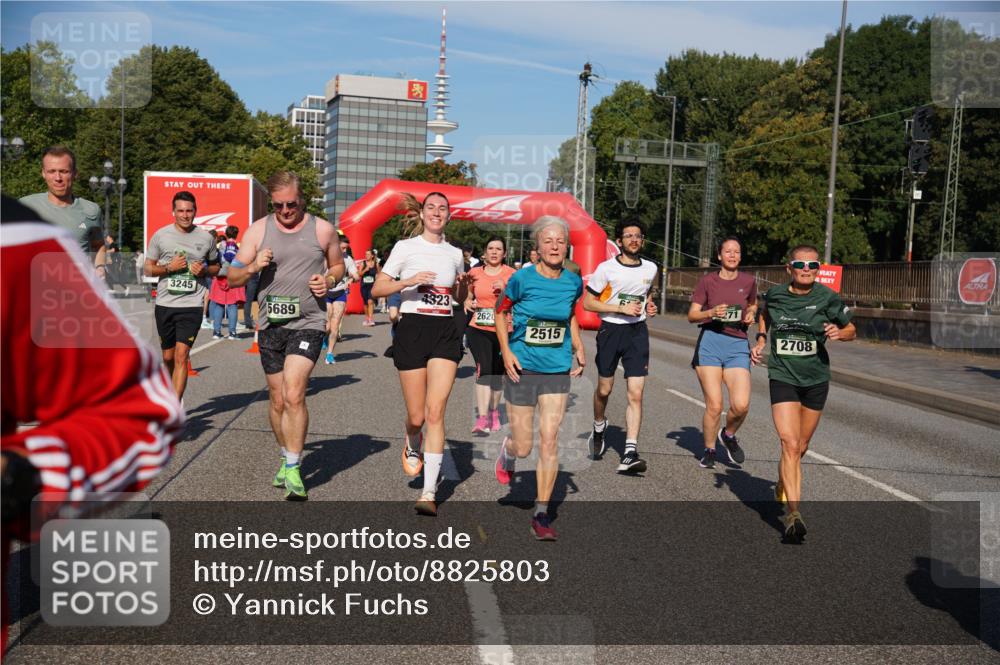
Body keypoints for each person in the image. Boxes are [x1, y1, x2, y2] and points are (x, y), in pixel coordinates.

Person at [1, 195, 183, 653]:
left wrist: (22, 474)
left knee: (180, 357)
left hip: (179, 305)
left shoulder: (17, 241)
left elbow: (137, 411)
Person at [228, 171, 344, 501]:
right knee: (277, 399)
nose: (285, 211)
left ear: (301, 199)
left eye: (291, 204)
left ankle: (294, 466)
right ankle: (284, 455)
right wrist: (252, 267)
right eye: (278, 205)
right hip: (270, 325)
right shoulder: (259, 230)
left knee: (294, 393)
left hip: (309, 320)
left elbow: (338, 267)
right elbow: (232, 276)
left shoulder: (321, 229)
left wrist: (329, 280)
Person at [371, 192, 467, 517]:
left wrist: (463, 287)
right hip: (413, 328)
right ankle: (413, 441)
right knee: (417, 417)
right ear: (423, 214)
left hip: (445, 330)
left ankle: (429, 492)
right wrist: (408, 281)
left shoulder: (455, 254)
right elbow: (377, 289)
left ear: (448, 216)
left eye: (443, 208)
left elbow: (459, 297)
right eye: (432, 208)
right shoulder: (405, 248)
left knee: (436, 411)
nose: (437, 212)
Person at [752, 244, 855, 543]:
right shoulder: (776, 295)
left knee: (802, 445)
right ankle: (793, 514)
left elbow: (852, 329)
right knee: (789, 442)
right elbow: (764, 314)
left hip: (815, 378)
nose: (807, 270)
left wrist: (840, 333)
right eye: (801, 264)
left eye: (813, 265)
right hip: (782, 374)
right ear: (789, 268)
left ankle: (783, 480)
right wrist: (761, 339)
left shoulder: (827, 297)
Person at [494, 216, 585, 541]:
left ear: (567, 245)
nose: (555, 246)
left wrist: (578, 346)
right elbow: (500, 312)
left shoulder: (573, 281)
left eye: (560, 241)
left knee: (549, 439)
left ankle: (541, 513)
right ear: (538, 247)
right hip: (523, 366)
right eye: (548, 241)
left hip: (556, 368)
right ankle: (507, 450)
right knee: (524, 446)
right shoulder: (521, 279)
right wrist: (506, 352)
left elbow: (570, 313)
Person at [584, 219, 659, 473]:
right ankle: (598, 425)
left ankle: (629, 452)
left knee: (636, 393)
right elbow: (588, 303)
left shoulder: (651, 268)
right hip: (610, 330)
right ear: (619, 241)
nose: (634, 240)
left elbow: (648, 291)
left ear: (643, 240)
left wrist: (649, 304)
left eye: (638, 236)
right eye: (628, 236)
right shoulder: (606, 269)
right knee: (604, 390)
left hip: (637, 332)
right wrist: (619, 308)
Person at [688, 236, 757, 469]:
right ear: (719, 255)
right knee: (715, 405)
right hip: (711, 343)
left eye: (736, 252)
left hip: (737, 344)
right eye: (728, 251)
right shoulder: (708, 281)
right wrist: (711, 312)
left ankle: (728, 435)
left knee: (741, 405)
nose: (732, 255)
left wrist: (751, 314)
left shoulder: (749, 281)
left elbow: (753, 304)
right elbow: (692, 315)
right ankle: (709, 449)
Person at [144, 191, 221, 401]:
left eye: (189, 211)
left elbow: (216, 267)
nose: (185, 215)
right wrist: (169, 267)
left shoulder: (206, 238)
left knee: (181, 355)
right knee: (168, 357)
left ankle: (174, 407)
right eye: (181, 211)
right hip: (165, 303)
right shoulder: (161, 235)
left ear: (195, 212)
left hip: (192, 304)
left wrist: (205, 270)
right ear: (173, 212)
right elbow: (147, 269)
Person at [464, 236, 516, 434]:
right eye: (490, 248)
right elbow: (468, 296)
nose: (494, 252)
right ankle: (482, 418)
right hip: (478, 328)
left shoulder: (512, 274)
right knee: (484, 370)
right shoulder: (475, 272)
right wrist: (467, 303)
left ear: (504, 253)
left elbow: (520, 300)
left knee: (497, 376)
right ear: (485, 252)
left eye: (498, 249)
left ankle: (494, 412)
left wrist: (506, 290)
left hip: (505, 330)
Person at [19, 146, 103, 254]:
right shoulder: (25, 206)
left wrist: (100, 267)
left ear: (75, 173)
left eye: (64, 171)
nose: (58, 178)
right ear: (43, 173)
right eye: (51, 171)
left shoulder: (91, 210)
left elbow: (99, 246)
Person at [324, 230, 359, 364]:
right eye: (342, 247)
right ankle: (323, 339)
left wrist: (354, 277)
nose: (344, 250)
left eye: (346, 248)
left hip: (340, 293)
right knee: (326, 326)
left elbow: (355, 275)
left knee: (335, 325)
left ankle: (330, 353)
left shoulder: (348, 259)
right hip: (326, 293)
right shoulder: (325, 257)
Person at [209, 226, 246, 340]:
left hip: (220, 277)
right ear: (237, 234)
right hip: (233, 277)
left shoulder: (220, 245)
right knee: (232, 305)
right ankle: (232, 333)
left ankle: (216, 331)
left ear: (225, 233)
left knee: (219, 305)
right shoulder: (238, 247)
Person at [358, 249, 379, 326]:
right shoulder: (363, 263)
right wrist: (365, 270)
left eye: (368, 254)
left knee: (370, 302)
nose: (366, 256)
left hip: (372, 286)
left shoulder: (376, 264)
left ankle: (370, 319)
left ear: (372, 256)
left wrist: (377, 281)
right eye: (366, 254)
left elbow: (379, 274)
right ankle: (367, 318)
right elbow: (359, 274)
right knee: (365, 303)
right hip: (364, 286)